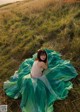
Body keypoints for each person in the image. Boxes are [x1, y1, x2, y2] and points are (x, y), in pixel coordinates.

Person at [3, 48, 78, 112]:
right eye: (42, 56)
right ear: (39, 56)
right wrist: (46, 61)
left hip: (31, 75)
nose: (43, 57)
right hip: (37, 77)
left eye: (44, 55)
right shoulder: (41, 63)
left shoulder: (36, 60)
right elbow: (46, 67)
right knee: (50, 82)